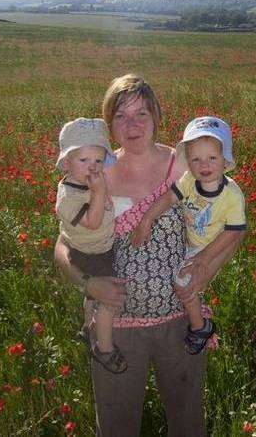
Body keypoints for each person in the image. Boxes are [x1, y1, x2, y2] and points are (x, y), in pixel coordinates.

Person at [54, 74, 245, 437]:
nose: (133, 124)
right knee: (116, 427)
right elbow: (63, 246)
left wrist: (207, 265)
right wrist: (88, 283)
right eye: (121, 116)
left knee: (187, 423)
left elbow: (234, 223)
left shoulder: (186, 164)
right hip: (116, 329)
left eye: (141, 113)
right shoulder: (94, 170)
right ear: (109, 124)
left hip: (180, 323)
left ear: (157, 116)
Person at [131, 116, 246, 355]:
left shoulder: (232, 195)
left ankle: (200, 327)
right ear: (189, 162)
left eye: (212, 158)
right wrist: (146, 220)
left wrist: (204, 258)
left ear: (225, 161)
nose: (204, 165)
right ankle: (192, 310)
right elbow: (168, 198)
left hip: (214, 245)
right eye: (196, 159)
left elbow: (233, 233)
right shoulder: (189, 181)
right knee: (177, 275)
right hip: (191, 242)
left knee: (184, 284)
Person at [55, 117, 127, 374]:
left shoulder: (85, 183)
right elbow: (94, 221)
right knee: (108, 300)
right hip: (91, 254)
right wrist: (99, 191)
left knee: (90, 298)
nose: (93, 168)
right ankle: (103, 348)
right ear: (66, 163)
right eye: (84, 161)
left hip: (99, 248)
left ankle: (87, 328)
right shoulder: (68, 197)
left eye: (98, 161)